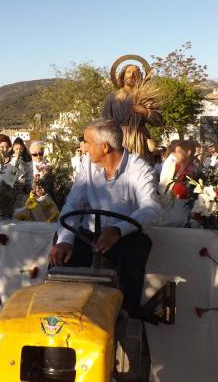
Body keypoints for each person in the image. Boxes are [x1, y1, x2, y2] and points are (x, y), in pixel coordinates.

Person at [49, 118, 161, 317]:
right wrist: (65, 240)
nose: (83, 148)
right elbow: (74, 203)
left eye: (87, 143)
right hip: (88, 237)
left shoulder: (140, 169)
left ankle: (127, 321)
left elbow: (151, 208)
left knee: (133, 260)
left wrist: (118, 230)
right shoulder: (88, 165)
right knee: (59, 259)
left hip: (125, 239)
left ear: (105, 147)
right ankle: (61, 317)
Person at [102, 64, 163, 162]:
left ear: (140, 77)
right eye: (128, 72)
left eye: (135, 73)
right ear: (123, 75)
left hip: (140, 140)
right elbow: (105, 123)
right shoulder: (113, 97)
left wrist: (144, 111)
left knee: (142, 167)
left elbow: (159, 121)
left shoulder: (145, 96)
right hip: (119, 140)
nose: (131, 75)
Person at [160, 140, 198, 226]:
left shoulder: (192, 170)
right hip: (173, 205)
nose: (175, 155)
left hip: (183, 208)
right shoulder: (177, 165)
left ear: (188, 153)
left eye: (178, 152)